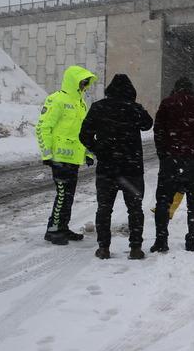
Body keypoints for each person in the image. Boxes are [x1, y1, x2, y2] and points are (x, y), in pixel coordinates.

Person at [79, 74, 153, 260]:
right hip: (132, 168)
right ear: (131, 91)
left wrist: (98, 150)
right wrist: (136, 109)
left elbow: (84, 135)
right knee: (135, 209)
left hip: (107, 168)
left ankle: (104, 248)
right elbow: (148, 124)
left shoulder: (99, 107)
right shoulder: (134, 108)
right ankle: (136, 248)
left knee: (104, 209)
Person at [151, 77, 194, 253]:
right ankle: (191, 241)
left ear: (176, 88)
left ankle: (161, 240)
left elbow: (158, 130)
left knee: (163, 201)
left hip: (171, 160)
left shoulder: (167, 104)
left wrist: (163, 154)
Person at [36, 65, 97, 245]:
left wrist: (88, 153)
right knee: (62, 195)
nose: (85, 85)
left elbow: (82, 132)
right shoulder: (56, 100)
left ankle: (62, 227)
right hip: (59, 159)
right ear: (73, 81)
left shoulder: (81, 103)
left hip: (73, 159)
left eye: (86, 82)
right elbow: (42, 128)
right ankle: (53, 230)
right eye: (82, 81)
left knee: (68, 196)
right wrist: (47, 155)